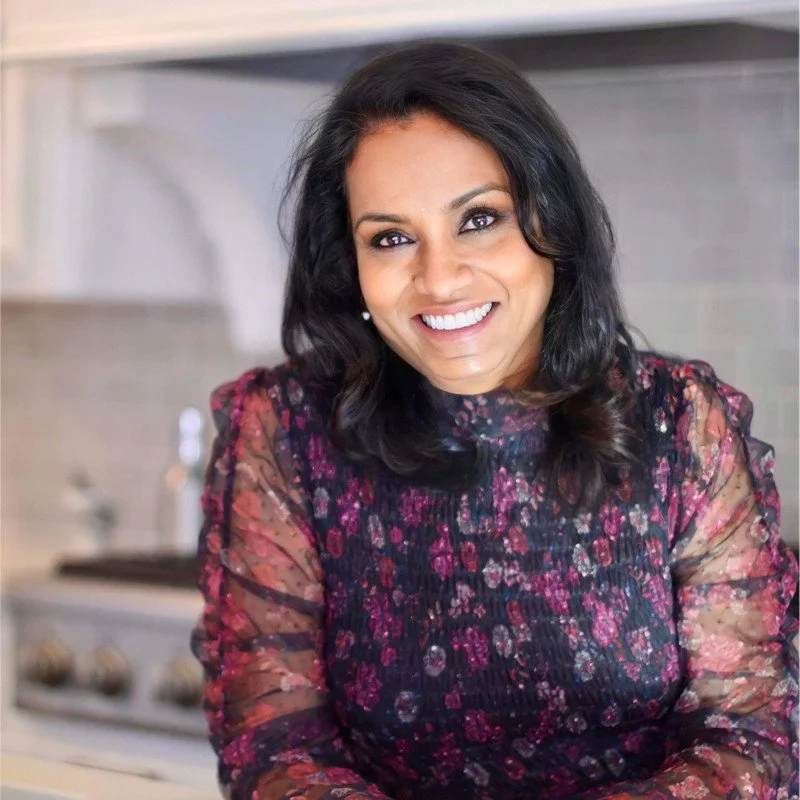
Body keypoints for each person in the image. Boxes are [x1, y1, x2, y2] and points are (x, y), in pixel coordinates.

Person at [190, 40, 798, 800]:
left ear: (553, 221)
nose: (438, 278)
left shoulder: (682, 424)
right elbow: (273, 742)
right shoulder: (286, 431)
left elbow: (748, 734)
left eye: (479, 219)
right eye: (391, 237)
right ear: (351, 264)